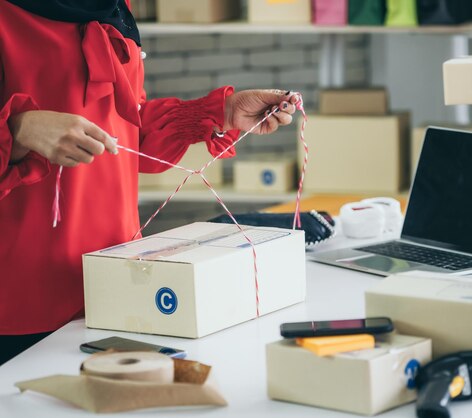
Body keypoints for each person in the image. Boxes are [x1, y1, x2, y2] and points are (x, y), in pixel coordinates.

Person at [0, 0, 298, 364]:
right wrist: (19, 129)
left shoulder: (113, 7)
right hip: (22, 297)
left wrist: (220, 112)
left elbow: (127, 133)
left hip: (119, 277)